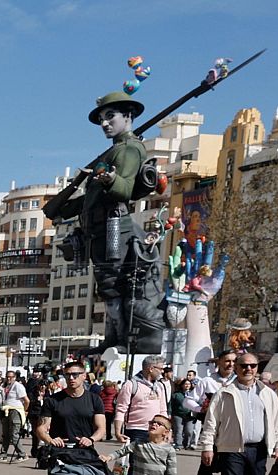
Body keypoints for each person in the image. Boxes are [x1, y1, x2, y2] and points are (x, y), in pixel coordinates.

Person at [52, 91, 165, 353]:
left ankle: (121, 341)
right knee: (108, 288)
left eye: (110, 116)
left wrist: (108, 180)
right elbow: (91, 200)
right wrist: (63, 209)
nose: (105, 123)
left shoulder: (128, 149)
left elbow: (124, 190)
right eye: (102, 118)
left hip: (115, 229)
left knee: (114, 287)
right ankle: (114, 340)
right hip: (99, 231)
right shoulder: (114, 151)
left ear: (128, 116)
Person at [198, 352, 278, 475]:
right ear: (236, 368)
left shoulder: (267, 393)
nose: (248, 369)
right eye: (244, 366)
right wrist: (207, 447)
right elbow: (211, 422)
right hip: (231, 447)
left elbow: (277, 422)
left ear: (257, 368)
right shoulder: (225, 393)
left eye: (252, 366)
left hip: (258, 447)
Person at [187, 350, 238, 475]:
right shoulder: (207, 381)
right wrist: (201, 409)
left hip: (233, 430)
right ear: (219, 362)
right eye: (227, 360)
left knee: (232, 468)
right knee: (207, 464)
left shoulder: (239, 381)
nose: (230, 364)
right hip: (213, 430)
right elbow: (188, 400)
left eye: (233, 361)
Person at [33, 363, 105, 453]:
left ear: (84, 376)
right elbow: (41, 428)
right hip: (59, 452)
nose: (71, 378)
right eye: (67, 375)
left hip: (85, 452)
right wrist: (50, 440)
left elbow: (101, 428)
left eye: (75, 375)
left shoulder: (94, 399)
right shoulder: (52, 400)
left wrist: (91, 439)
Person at [113, 355, 170, 445]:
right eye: (160, 369)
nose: (162, 372)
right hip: (135, 430)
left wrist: (167, 430)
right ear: (151, 368)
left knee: (154, 459)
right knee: (136, 459)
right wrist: (118, 432)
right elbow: (121, 409)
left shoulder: (159, 386)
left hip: (156, 431)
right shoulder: (131, 385)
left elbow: (163, 410)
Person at [0, 372, 29, 460]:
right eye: (7, 377)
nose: (9, 379)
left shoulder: (18, 386)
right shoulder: (6, 386)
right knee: (6, 434)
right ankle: (3, 454)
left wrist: (24, 410)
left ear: (15, 377)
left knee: (14, 434)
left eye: (11, 377)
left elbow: (27, 400)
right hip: (6, 410)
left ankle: (22, 454)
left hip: (15, 410)